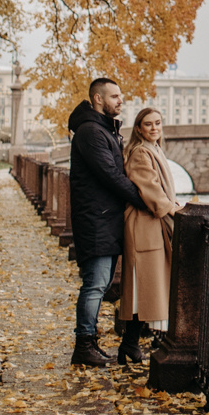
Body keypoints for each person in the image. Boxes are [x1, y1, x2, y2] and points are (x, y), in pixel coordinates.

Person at [66, 78, 147, 366]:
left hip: (103, 220)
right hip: (96, 220)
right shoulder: (91, 132)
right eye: (114, 96)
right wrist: (144, 200)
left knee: (98, 284)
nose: (120, 100)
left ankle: (89, 343)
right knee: (95, 285)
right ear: (98, 99)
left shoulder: (102, 130)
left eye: (120, 96)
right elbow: (111, 176)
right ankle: (83, 345)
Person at [118, 107, 181, 364]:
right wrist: (176, 211)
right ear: (139, 129)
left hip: (151, 223)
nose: (154, 128)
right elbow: (150, 190)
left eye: (158, 123)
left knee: (146, 287)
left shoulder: (154, 149)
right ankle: (131, 344)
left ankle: (130, 344)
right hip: (143, 224)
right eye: (148, 124)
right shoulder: (141, 153)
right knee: (143, 285)